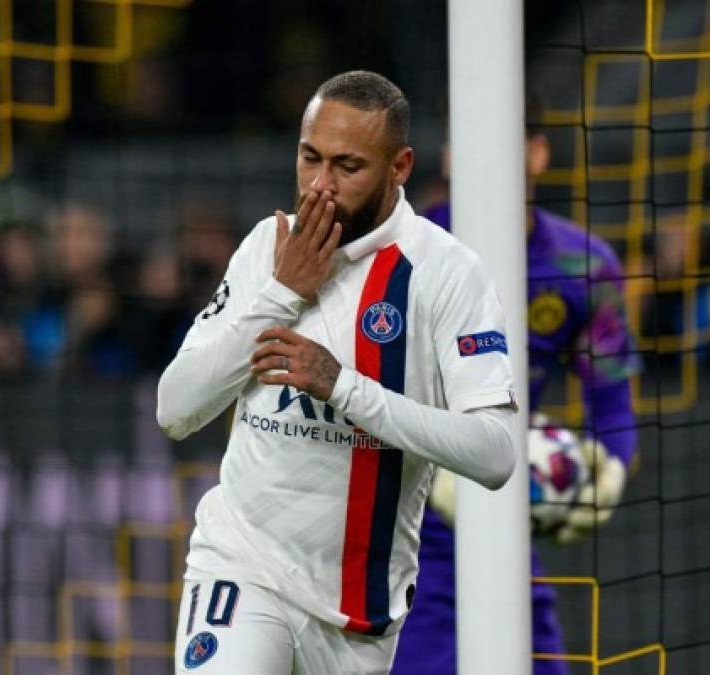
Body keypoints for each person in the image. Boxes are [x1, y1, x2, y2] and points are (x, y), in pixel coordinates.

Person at [157, 70, 520, 674]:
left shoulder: (446, 273)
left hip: (358, 614)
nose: (319, 186)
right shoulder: (265, 247)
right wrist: (280, 294)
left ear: (399, 166)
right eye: (309, 159)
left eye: (347, 167)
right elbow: (175, 408)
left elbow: (496, 451)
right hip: (243, 567)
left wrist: (342, 386)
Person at [392, 96, 642, 675]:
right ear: (449, 159)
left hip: (508, 506)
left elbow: (612, 398)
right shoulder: (403, 253)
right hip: (406, 524)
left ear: (538, 154)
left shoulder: (584, 266)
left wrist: (610, 468)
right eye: (463, 147)